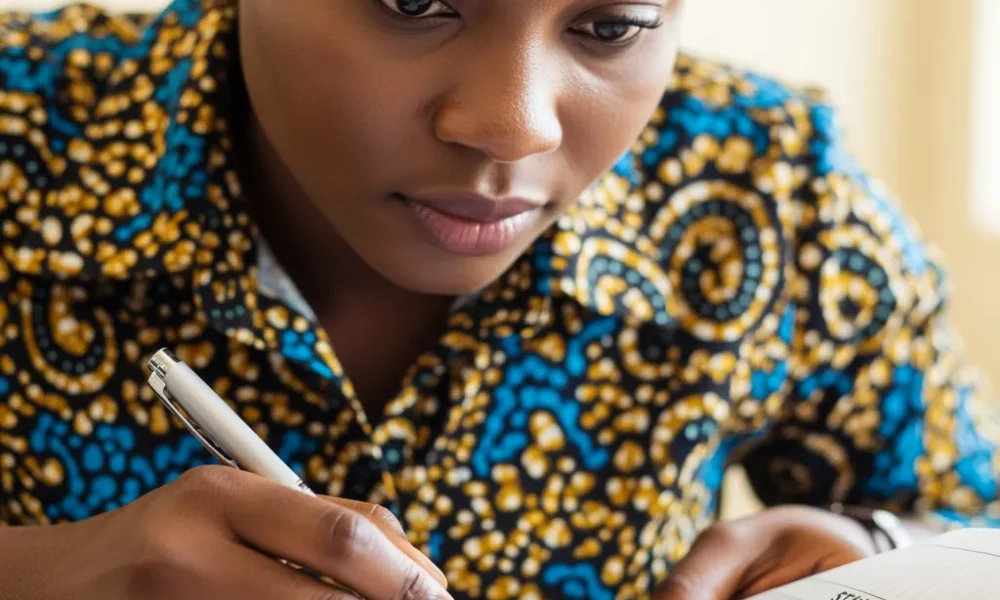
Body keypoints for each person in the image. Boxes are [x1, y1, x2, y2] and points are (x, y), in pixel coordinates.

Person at [0, 0, 996, 598]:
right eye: (412, 0)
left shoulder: (771, 190)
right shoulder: (18, 118)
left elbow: (971, 520)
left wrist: (876, 554)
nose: (509, 127)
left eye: (609, 25)